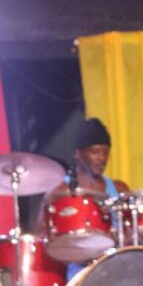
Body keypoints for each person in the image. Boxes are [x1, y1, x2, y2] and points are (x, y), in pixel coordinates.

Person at [37, 117, 129, 277]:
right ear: (78, 154)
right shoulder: (60, 190)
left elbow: (132, 231)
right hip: (79, 271)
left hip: (117, 266)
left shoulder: (120, 188)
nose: (101, 158)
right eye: (95, 152)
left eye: (105, 152)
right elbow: (41, 236)